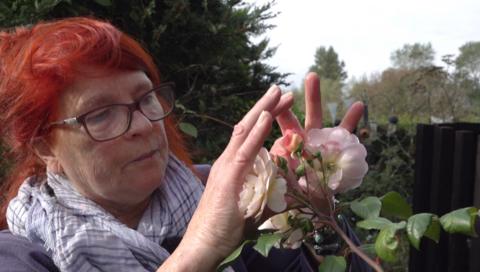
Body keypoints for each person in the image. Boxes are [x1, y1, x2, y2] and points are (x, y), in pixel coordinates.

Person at [0, 17, 364, 271]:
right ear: (43, 146)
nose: (142, 125)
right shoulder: (20, 258)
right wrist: (199, 250)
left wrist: (318, 223)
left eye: (145, 98)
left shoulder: (230, 193)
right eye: (100, 114)